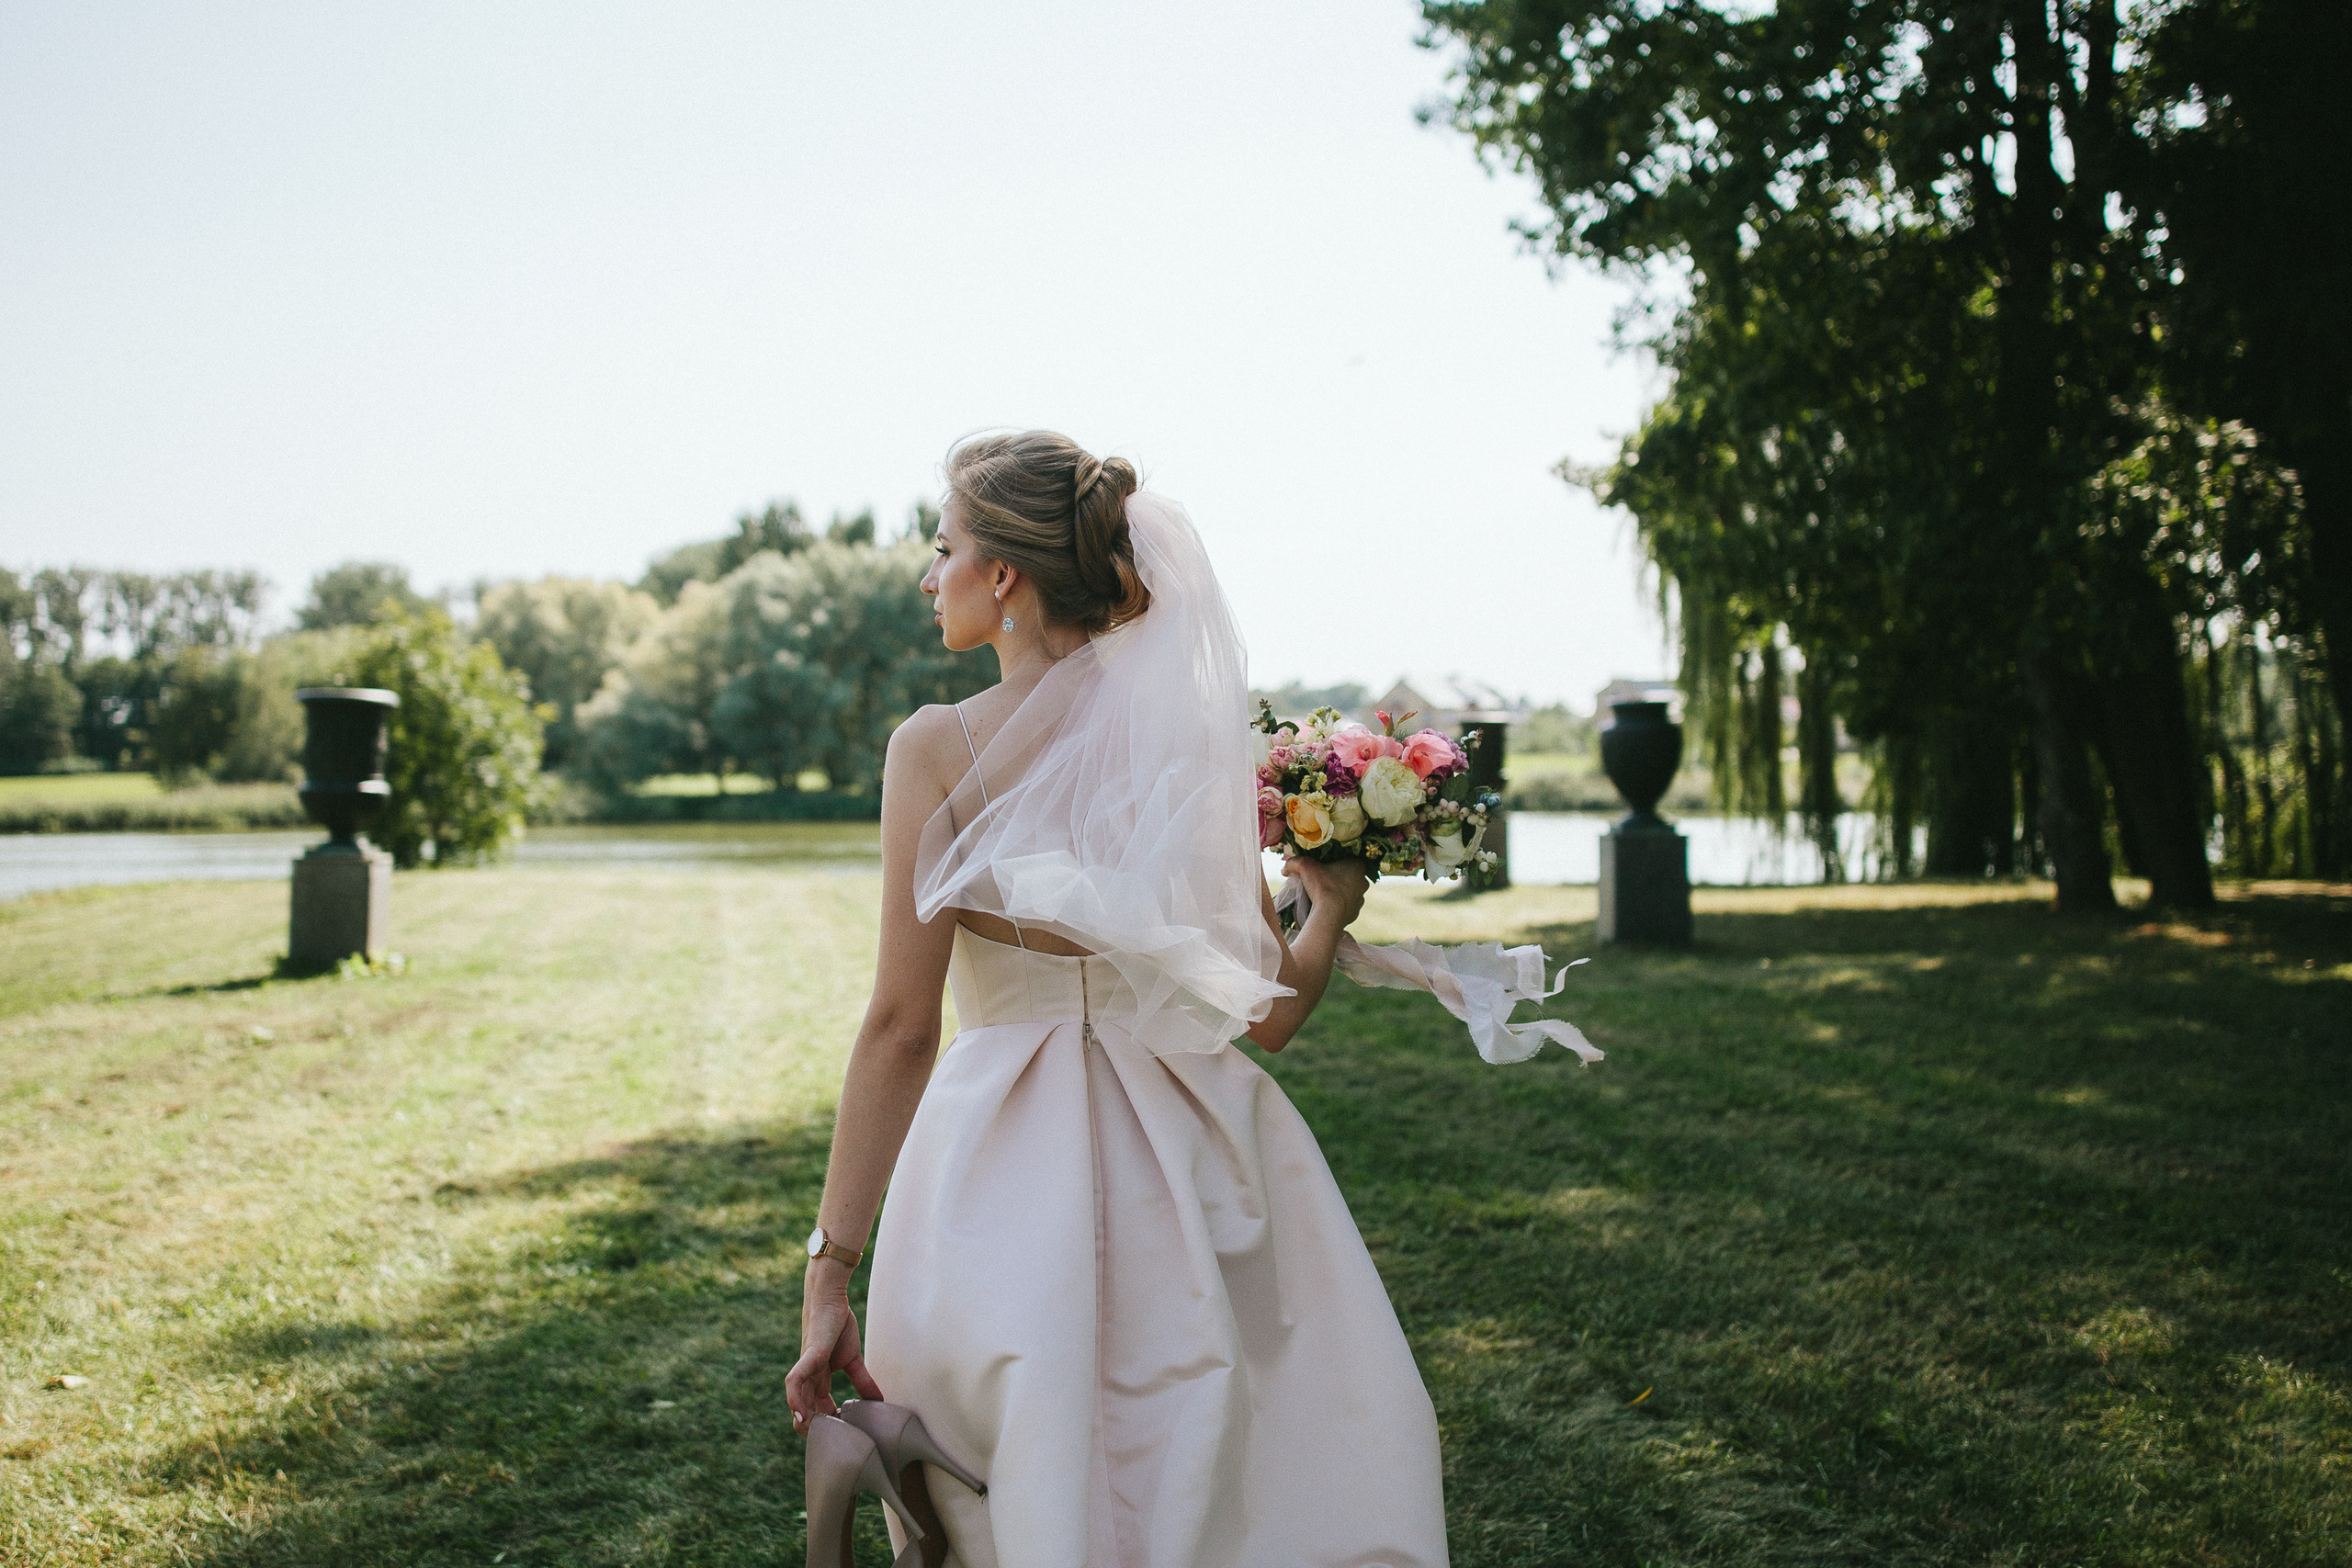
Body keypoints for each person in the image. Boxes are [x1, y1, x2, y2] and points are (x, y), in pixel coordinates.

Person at [785, 430, 1449, 1568]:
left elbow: (901, 1028)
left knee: (1016, 1484)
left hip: (995, 1174)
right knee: (1213, 1478)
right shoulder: (1185, 747)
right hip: (1191, 1161)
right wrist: (1326, 909)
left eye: (943, 549)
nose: (926, 575)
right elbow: (1270, 1017)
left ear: (1004, 578)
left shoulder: (937, 749)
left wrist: (829, 1269)